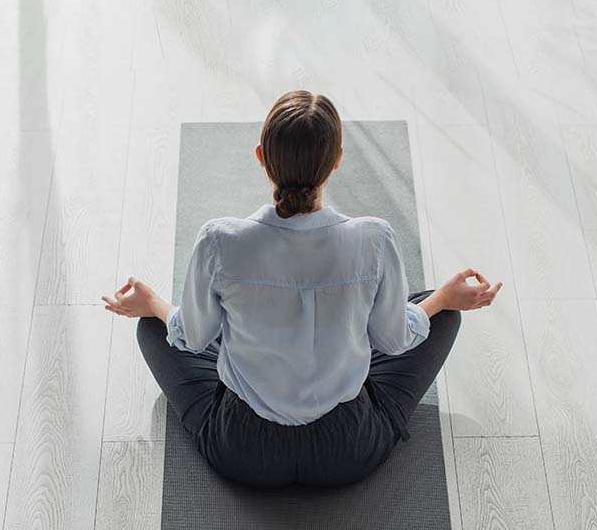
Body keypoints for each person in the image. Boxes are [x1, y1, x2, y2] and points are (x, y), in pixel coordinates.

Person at [103, 90, 501, 488]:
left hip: (243, 452)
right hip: (348, 450)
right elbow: (392, 340)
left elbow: (192, 337)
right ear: (338, 160)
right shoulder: (374, 239)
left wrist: (153, 302)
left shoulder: (219, 240)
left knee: (154, 328)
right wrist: (443, 300)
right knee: (432, 311)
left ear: (261, 157)